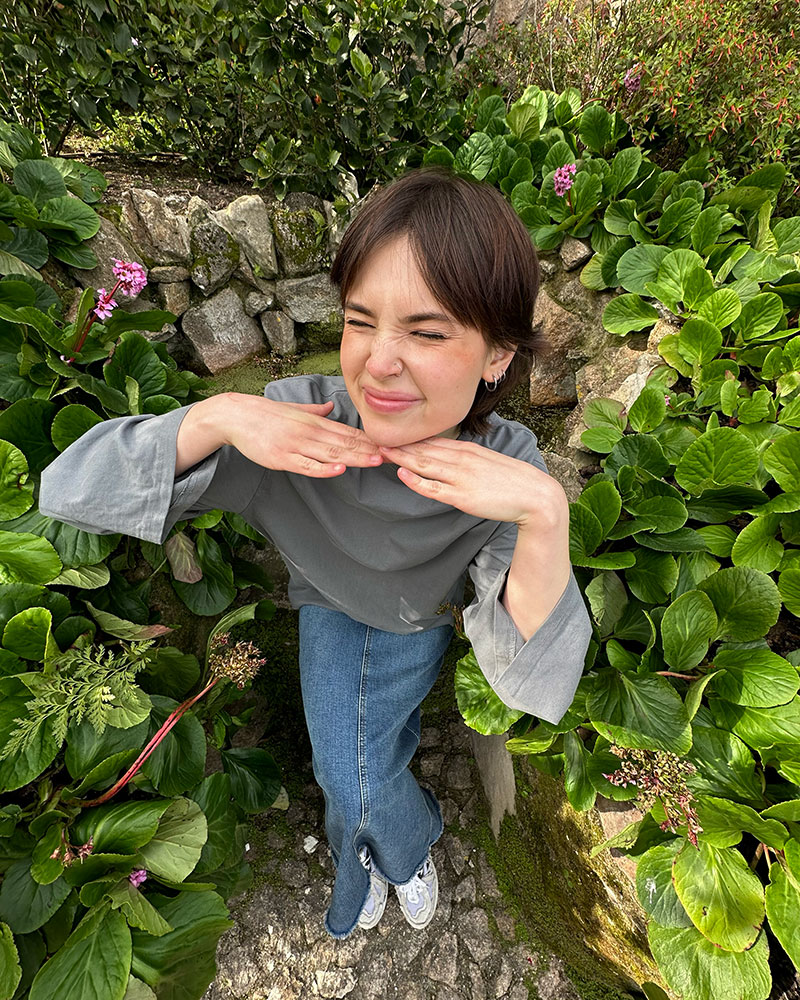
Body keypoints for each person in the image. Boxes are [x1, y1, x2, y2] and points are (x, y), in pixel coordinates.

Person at [39, 168, 592, 939]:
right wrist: (220, 415)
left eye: (427, 332)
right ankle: (399, 845)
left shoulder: (505, 465)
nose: (378, 361)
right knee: (352, 774)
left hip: (417, 625)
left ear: (497, 355)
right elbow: (72, 486)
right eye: (361, 321)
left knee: (365, 757)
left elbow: (534, 670)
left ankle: (394, 841)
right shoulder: (301, 424)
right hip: (326, 607)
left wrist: (543, 511)